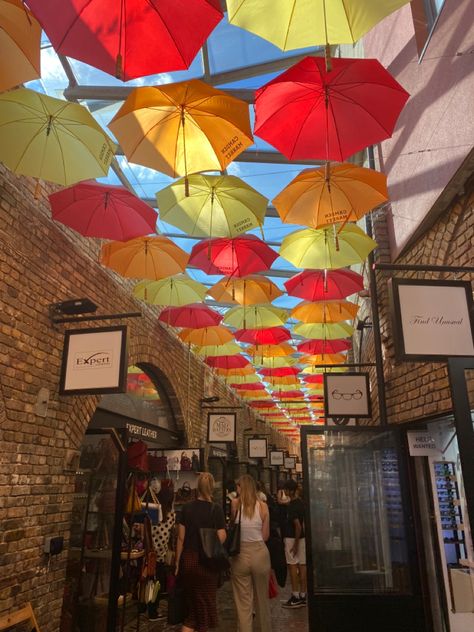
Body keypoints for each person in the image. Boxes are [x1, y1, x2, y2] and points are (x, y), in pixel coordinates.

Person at [175, 472, 226, 632]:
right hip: (207, 563)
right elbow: (221, 536)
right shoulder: (215, 509)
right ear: (211, 488)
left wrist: (177, 563)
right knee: (204, 611)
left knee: (192, 612)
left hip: (189, 560)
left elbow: (180, 538)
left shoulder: (186, 508)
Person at [230, 475, 271, 632]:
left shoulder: (235, 504)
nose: (236, 489)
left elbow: (233, 526)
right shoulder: (263, 507)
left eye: (237, 487)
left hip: (241, 553)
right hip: (259, 552)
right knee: (262, 600)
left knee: (243, 602)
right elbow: (265, 535)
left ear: (241, 487)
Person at [149, 486, 176, 621]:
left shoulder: (153, 512)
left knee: (148, 582)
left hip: (149, 552)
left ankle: (146, 607)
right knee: (157, 584)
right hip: (160, 555)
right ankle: (153, 611)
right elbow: (173, 536)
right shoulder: (172, 516)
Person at [281, 479, 307, 609]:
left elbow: (297, 526)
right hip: (302, 539)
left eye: (286, 489)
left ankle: (295, 595)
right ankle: (303, 594)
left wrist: (295, 543)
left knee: (292, 565)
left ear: (290, 490)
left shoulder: (292, 506)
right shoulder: (301, 503)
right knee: (302, 566)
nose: (284, 492)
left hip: (293, 538)